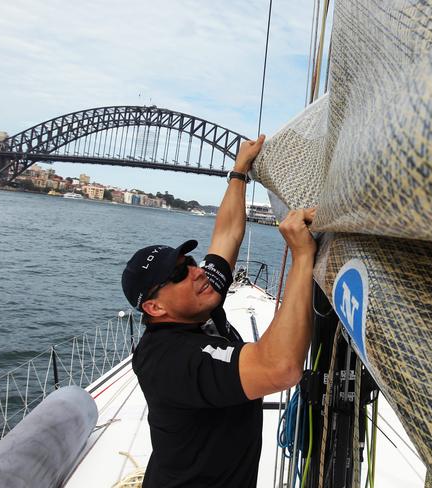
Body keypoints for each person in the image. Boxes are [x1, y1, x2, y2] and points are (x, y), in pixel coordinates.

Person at [121, 134, 317, 488]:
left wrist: (239, 171)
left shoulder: (198, 304)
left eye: (190, 262)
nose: (197, 272)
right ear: (154, 306)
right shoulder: (169, 360)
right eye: (179, 273)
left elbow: (226, 236)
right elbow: (281, 367)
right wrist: (302, 258)